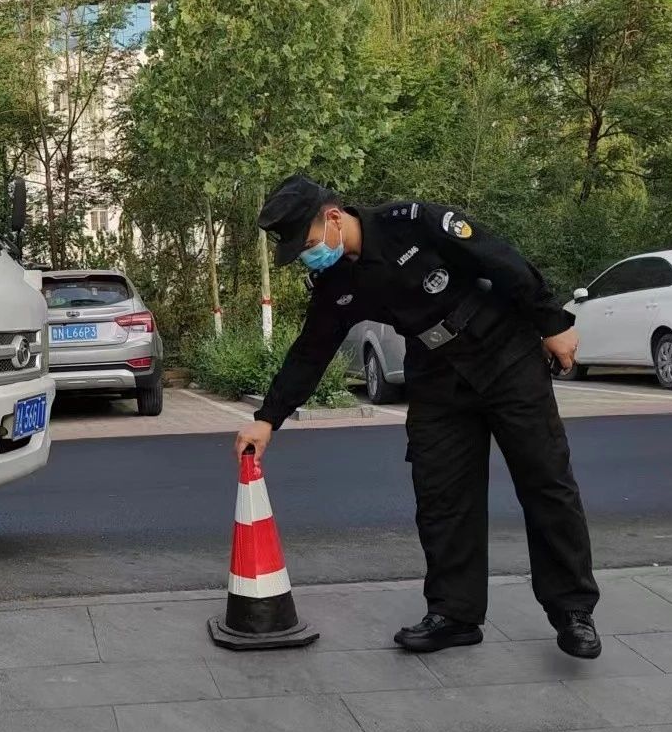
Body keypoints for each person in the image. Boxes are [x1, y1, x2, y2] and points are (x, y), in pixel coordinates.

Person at [236, 175, 601, 659]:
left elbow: (498, 258)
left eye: (306, 245)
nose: (308, 256)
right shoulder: (337, 280)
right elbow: (311, 350)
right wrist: (268, 418)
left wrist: (552, 323)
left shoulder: (413, 222)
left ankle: (573, 611)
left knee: (546, 482)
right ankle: (454, 614)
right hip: (435, 375)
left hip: (503, 353)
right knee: (441, 493)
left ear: (333, 217)